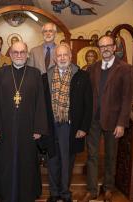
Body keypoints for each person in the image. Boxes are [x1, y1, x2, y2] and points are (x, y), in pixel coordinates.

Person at [0, 41, 48, 202]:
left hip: (28, 129)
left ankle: (26, 195)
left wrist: (39, 128)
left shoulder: (35, 73)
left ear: (27, 55)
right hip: (5, 129)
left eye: (22, 52)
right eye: (15, 52)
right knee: (5, 163)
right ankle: (4, 194)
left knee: (26, 164)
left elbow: (40, 101)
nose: (19, 55)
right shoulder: (1, 73)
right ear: (10, 55)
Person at [80, 35, 133, 202]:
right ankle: (92, 190)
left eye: (108, 45)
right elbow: (87, 96)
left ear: (114, 47)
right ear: (99, 49)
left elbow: (127, 98)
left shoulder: (125, 68)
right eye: (102, 46)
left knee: (111, 156)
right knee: (92, 156)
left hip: (113, 121)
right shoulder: (92, 68)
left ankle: (108, 188)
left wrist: (121, 123)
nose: (105, 49)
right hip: (93, 121)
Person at [43, 44, 93, 202]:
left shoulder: (82, 76)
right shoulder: (46, 77)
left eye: (65, 55)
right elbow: (41, 104)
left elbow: (88, 104)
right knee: (52, 160)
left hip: (70, 126)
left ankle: (65, 193)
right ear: (55, 58)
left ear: (71, 56)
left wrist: (84, 127)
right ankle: (54, 193)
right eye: (59, 55)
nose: (62, 58)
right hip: (51, 125)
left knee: (66, 161)